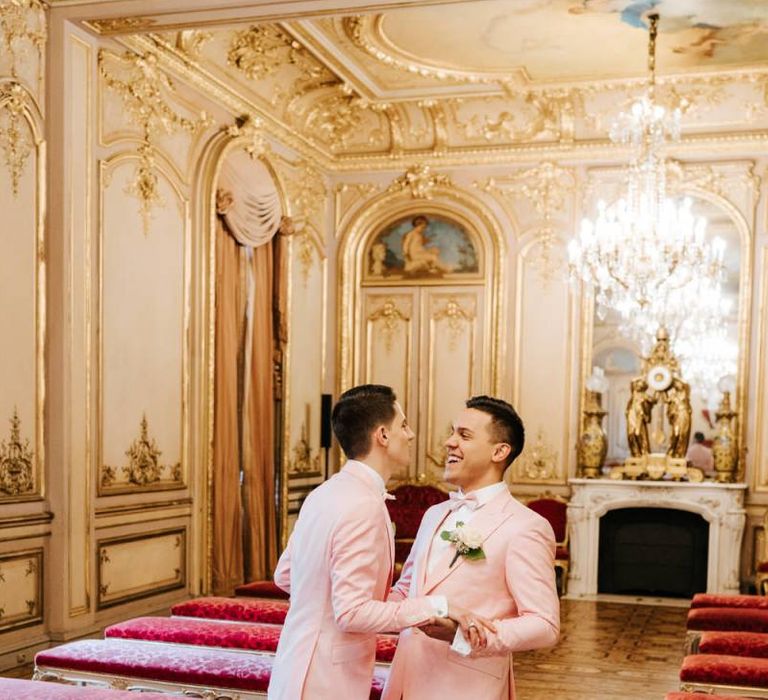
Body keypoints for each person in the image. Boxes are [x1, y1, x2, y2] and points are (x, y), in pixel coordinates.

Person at [268, 385, 492, 700]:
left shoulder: (324, 492)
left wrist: (325, 605)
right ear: (382, 435)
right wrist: (437, 605)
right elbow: (352, 614)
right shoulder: (363, 505)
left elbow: (286, 574)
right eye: (403, 425)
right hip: (328, 679)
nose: (411, 434)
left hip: (294, 664)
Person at [382, 395, 560, 700]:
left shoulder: (526, 527)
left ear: (500, 451)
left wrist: (465, 635)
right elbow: (405, 590)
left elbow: (544, 625)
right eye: (452, 432)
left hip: (467, 686)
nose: (449, 442)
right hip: (405, 680)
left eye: (464, 435)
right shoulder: (434, 514)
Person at [625, 378, 653, 457]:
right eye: (637, 384)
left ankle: (644, 451)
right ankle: (635, 452)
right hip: (631, 414)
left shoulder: (644, 395)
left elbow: (653, 400)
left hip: (639, 416)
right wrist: (642, 376)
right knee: (631, 434)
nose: (637, 385)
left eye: (640, 384)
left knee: (639, 433)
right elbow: (632, 381)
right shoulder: (634, 393)